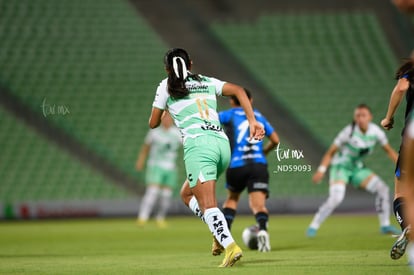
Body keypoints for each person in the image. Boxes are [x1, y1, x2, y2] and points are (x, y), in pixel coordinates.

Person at [149, 48, 265, 267]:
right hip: (222, 146)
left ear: (166, 69)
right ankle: (218, 231)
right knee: (186, 194)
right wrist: (252, 121)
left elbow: (153, 123)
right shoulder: (206, 80)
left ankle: (230, 247)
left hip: (199, 147)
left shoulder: (166, 86)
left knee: (209, 204)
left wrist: (165, 109)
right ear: (190, 64)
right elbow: (239, 91)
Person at [306, 104, 400, 238]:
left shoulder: (376, 132)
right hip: (340, 167)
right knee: (336, 198)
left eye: (363, 115)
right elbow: (330, 152)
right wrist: (321, 170)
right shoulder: (348, 132)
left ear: (370, 117)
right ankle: (313, 226)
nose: (360, 118)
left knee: (383, 189)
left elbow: (389, 151)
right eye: (357, 115)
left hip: (357, 169)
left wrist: (403, 166)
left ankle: (385, 225)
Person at [217, 88, 280, 253]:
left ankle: (225, 236)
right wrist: (263, 152)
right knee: (258, 205)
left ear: (232, 101)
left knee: (232, 198)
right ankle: (263, 230)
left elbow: (211, 121)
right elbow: (275, 140)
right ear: (249, 101)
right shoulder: (258, 116)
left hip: (237, 164)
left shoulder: (229, 115)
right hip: (258, 165)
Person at [381, 57, 414, 260]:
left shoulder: (410, 72)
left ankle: (407, 226)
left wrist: (388, 117)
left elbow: (401, 88)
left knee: (401, 193)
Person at [136, 112, 182, 228]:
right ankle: (143, 217)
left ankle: (160, 218)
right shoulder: (154, 133)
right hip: (155, 165)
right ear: (161, 119)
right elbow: (146, 147)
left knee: (166, 195)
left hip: (170, 167)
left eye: (169, 118)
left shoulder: (177, 133)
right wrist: (140, 160)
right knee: (153, 191)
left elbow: (187, 145)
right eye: (164, 118)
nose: (167, 120)